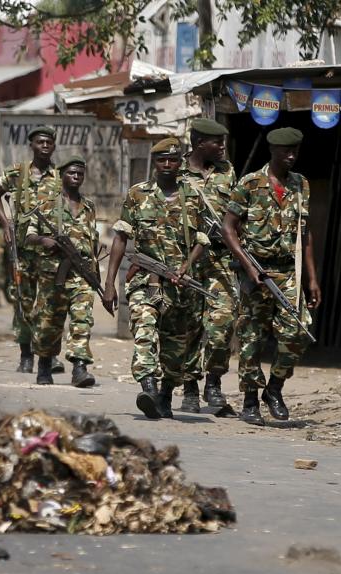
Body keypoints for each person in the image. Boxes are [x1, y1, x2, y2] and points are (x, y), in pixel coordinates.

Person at [102, 138, 211, 419]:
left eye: (172, 160)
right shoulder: (138, 194)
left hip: (181, 284)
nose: (166, 165)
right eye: (161, 159)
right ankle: (148, 385)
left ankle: (164, 395)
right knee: (145, 326)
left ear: (180, 163)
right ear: (155, 162)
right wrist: (109, 283)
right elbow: (121, 237)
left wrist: (187, 266)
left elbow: (203, 239)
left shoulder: (194, 196)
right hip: (144, 279)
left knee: (176, 348)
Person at [221, 127, 320, 425]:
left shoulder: (301, 185)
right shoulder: (250, 184)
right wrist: (248, 268)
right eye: (285, 151)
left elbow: (305, 233)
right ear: (273, 151)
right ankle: (250, 399)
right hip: (256, 271)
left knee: (298, 331)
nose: (291, 156)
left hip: (289, 270)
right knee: (251, 338)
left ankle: (274, 388)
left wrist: (312, 279)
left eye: (295, 151)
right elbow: (228, 228)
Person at [0, 126, 64, 375]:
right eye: (40, 142)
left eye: (49, 143)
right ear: (31, 145)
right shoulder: (17, 174)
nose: (45, 146)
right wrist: (5, 222)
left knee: (49, 304)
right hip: (22, 250)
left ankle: (48, 354)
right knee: (22, 300)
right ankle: (25, 354)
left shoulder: (60, 176)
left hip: (50, 252)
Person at [25, 155, 99, 388]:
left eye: (80, 173)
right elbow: (27, 237)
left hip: (81, 274)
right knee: (49, 322)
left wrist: (95, 273)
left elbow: (93, 243)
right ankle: (44, 364)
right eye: (71, 173)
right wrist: (44, 241)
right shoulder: (46, 204)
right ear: (61, 176)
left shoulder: (89, 207)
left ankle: (80, 368)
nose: (76, 177)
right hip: (52, 274)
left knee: (82, 318)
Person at [181, 118, 238, 411]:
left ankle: (213, 382)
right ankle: (189, 386)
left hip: (220, 259)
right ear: (199, 143)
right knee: (189, 325)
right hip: (186, 260)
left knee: (222, 323)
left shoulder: (227, 172)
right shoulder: (175, 173)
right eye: (217, 142)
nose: (223, 147)